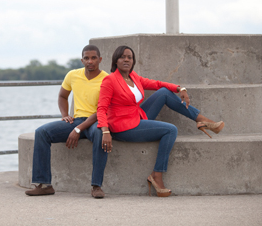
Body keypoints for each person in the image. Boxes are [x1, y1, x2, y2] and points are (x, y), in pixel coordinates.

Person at [95, 45, 224, 197]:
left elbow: (156, 84)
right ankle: (157, 175)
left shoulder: (133, 77)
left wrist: (180, 88)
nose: (126, 60)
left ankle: (200, 119)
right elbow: (101, 108)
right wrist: (105, 130)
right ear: (115, 60)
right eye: (122, 57)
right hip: (124, 127)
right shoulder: (110, 80)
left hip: (137, 117)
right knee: (171, 130)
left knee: (163, 92)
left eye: (130, 57)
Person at [26, 45, 110, 198]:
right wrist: (65, 115)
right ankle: (44, 185)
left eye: (93, 58)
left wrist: (78, 129)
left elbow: (103, 110)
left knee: (99, 136)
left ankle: (96, 186)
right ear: (82, 60)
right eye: (86, 58)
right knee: (42, 132)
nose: (90, 61)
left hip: (95, 122)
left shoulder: (107, 79)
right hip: (76, 120)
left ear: (100, 59)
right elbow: (62, 96)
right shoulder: (73, 75)